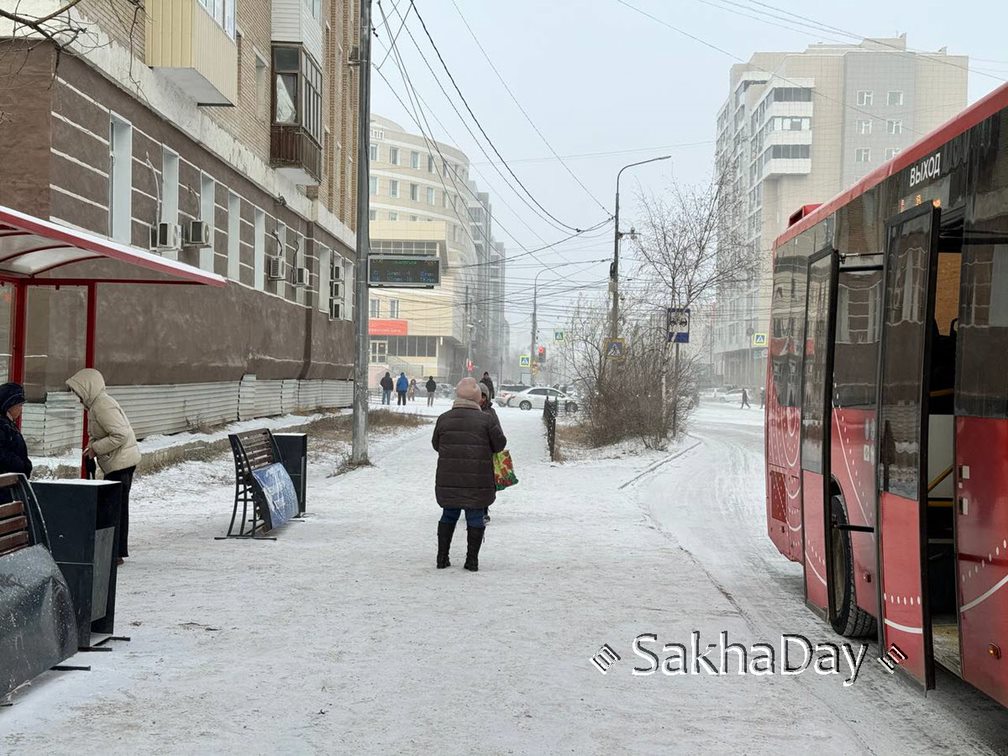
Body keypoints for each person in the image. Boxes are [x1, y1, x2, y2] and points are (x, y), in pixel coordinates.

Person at [66, 368, 141, 565]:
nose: (78, 398)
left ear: (88, 389)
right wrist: (93, 446)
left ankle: (114, 553)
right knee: (115, 507)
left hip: (121, 463)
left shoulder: (102, 406)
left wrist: (95, 449)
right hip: (118, 461)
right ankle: (114, 551)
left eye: (79, 392)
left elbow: (120, 435)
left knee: (113, 508)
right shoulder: (97, 405)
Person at [432, 377, 506, 572]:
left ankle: (442, 558)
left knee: (448, 515)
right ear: (476, 398)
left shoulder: (444, 418)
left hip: (449, 478)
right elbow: (500, 444)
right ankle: (471, 561)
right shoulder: (486, 420)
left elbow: (436, 445)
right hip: (477, 479)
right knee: (474, 515)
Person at [0, 382, 31, 502]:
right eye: (19, 405)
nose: (21, 410)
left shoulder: (8, 424)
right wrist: (21, 465)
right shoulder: (4, 426)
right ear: (9, 406)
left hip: (10, 485)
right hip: (5, 488)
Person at [478, 381, 500, 526]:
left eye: (483, 396)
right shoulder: (468, 411)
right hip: (471, 454)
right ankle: (474, 509)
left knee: (485, 485)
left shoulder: (490, 413)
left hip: (486, 455)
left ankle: (484, 511)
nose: (480, 399)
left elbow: (499, 435)